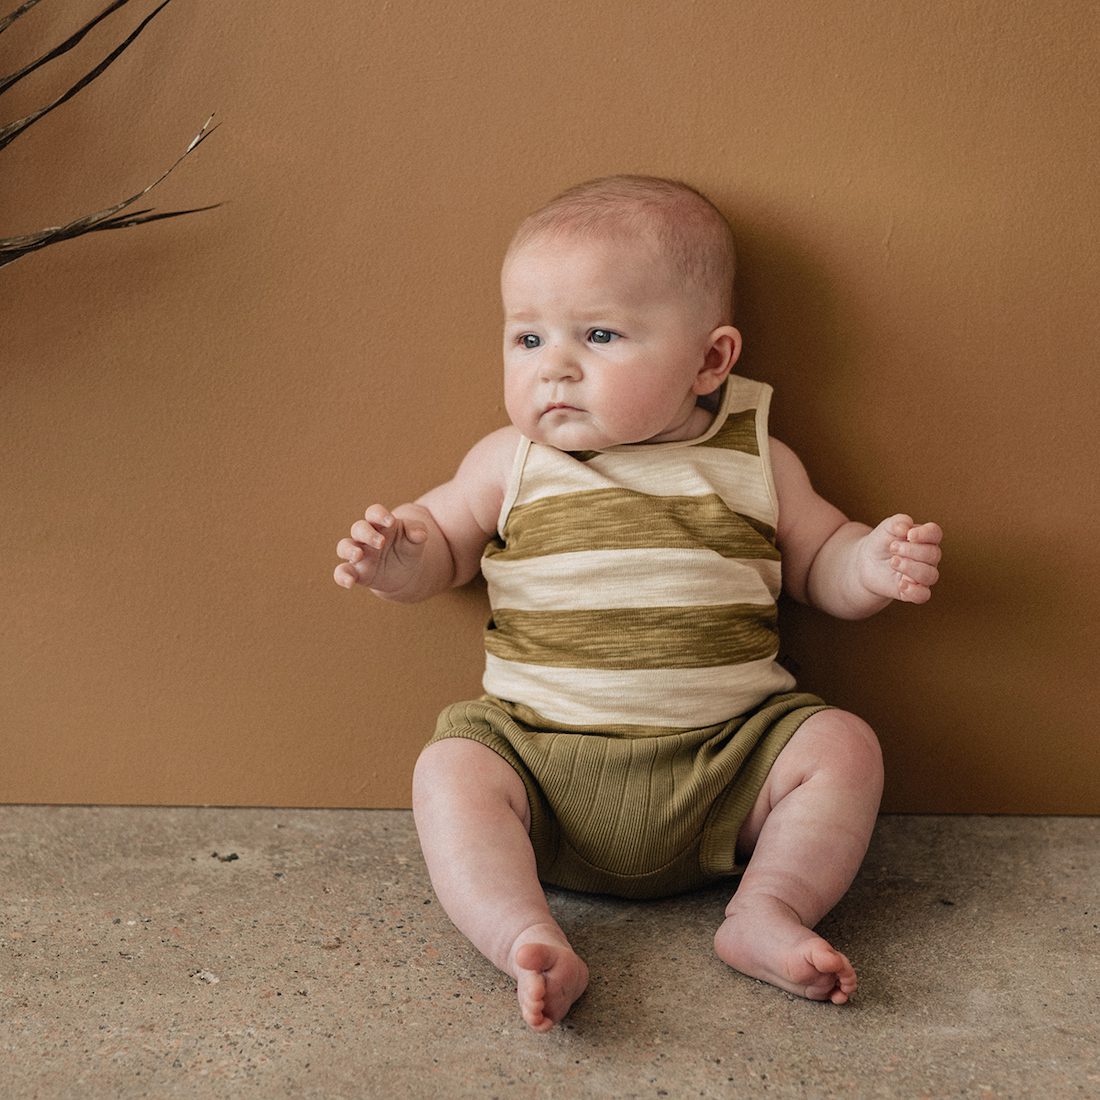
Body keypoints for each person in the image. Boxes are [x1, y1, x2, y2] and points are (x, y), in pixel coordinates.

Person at [334, 176, 943, 1032]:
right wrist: (396, 555)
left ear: (710, 361)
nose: (555, 366)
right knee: (449, 769)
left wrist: (870, 565)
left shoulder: (757, 458)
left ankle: (767, 910)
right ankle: (524, 933)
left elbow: (820, 563)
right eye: (528, 337)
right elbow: (439, 548)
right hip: (542, 768)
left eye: (601, 335)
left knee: (842, 746)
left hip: (729, 769)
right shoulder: (509, 461)